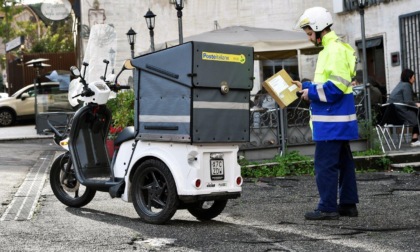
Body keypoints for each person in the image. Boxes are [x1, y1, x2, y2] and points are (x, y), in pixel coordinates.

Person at [292, 7, 359, 220]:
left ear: (320, 28)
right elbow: (330, 84)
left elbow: (335, 88)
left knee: (325, 166)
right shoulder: (336, 49)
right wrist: (305, 85)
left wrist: (309, 92)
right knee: (344, 164)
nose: (310, 38)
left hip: (331, 122)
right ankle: (348, 205)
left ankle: (328, 207)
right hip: (339, 120)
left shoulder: (333, 51)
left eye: (310, 33)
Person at [387, 69, 420, 146]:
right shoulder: (406, 85)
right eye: (413, 77)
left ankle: (415, 139)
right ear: (409, 78)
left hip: (392, 114)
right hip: (400, 113)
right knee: (418, 112)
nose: (414, 79)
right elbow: (408, 101)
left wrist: (415, 104)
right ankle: (414, 140)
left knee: (417, 112)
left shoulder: (401, 84)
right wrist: (416, 105)